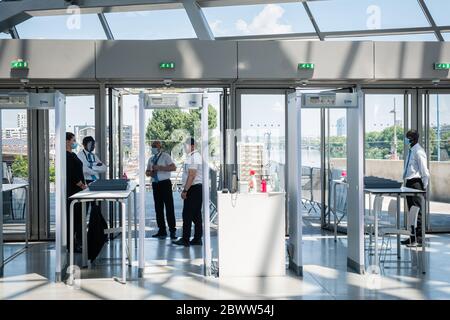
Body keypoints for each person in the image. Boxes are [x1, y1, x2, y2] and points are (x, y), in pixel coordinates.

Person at [173, 138, 203, 247]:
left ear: (193, 146)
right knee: (196, 215)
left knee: (187, 215)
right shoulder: (192, 157)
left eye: (186, 145)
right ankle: (197, 238)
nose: (185, 148)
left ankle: (186, 239)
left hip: (194, 189)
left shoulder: (194, 157)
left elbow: (192, 175)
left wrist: (185, 190)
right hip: (195, 188)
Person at [402, 129, 430, 247]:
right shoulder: (411, 151)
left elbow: (424, 171)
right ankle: (411, 237)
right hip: (409, 183)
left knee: (417, 213)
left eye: (407, 137)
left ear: (413, 139)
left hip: (416, 184)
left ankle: (418, 238)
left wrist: (424, 186)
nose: (406, 140)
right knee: (411, 212)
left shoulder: (419, 151)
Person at [146, 140, 177, 239]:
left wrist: (160, 167)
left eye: (155, 146)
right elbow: (147, 172)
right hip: (156, 184)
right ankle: (162, 230)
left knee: (169, 207)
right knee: (158, 208)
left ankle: (172, 230)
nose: (153, 148)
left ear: (160, 147)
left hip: (165, 184)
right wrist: (150, 172)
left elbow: (173, 167)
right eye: (152, 146)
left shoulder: (165, 156)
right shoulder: (151, 159)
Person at [66, 132, 87, 253]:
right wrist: (82, 185)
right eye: (73, 140)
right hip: (73, 191)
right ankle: (71, 244)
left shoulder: (72, 154)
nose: (74, 143)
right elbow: (72, 174)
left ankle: (76, 242)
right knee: (73, 218)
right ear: (67, 141)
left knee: (78, 218)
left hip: (79, 190)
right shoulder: (66, 156)